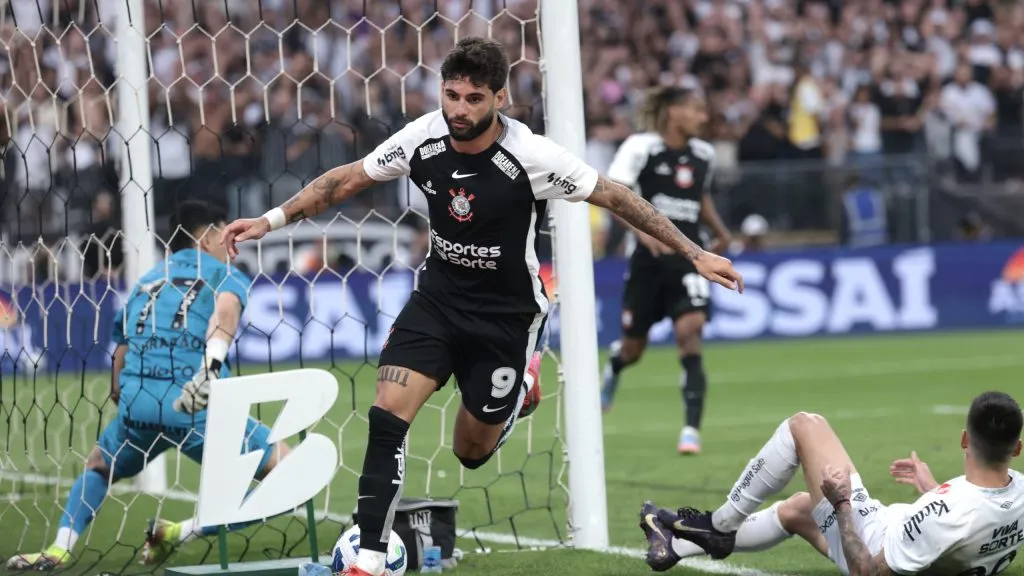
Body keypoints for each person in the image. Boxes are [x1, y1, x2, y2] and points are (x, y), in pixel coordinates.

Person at [219, 37, 743, 576]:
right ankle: (370, 555)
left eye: (473, 99)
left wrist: (696, 252)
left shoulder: (533, 156)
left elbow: (616, 196)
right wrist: (273, 219)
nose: (458, 110)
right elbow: (348, 177)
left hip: (506, 320)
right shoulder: (422, 137)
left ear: (498, 97)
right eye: (451, 96)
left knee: (470, 452)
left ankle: (520, 391)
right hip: (437, 302)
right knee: (387, 413)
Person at [6, 201, 291, 571]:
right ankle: (176, 533)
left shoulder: (149, 279)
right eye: (224, 233)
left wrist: (120, 393)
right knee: (291, 472)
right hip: (194, 408)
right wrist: (210, 367)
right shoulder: (224, 274)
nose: (229, 243)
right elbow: (224, 316)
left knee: (98, 465)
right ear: (206, 237)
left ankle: (60, 548)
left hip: (137, 406)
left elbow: (120, 350)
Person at [638, 391, 1024, 575]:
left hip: (869, 538)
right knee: (795, 510)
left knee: (805, 425)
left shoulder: (943, 514)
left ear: (963, 439)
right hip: (922, 545)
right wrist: (932, 489)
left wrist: (841, 505)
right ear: (1018, 448)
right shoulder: (1015, 494)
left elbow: (866, 574)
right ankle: (675, 546)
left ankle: (719, 526)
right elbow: (965, 521)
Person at [599, 86, 733, 456]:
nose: (702, 117)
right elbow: (615, 195)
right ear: (673, 112)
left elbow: (699, 198)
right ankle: (615, 365)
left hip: (691, 258)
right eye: (695, 110)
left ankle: (691, 429)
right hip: (647, 262)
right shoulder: (641, 147)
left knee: (691, 333)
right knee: (634, 348)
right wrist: (643, 234)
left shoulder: (703, 154)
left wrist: (720, 232)